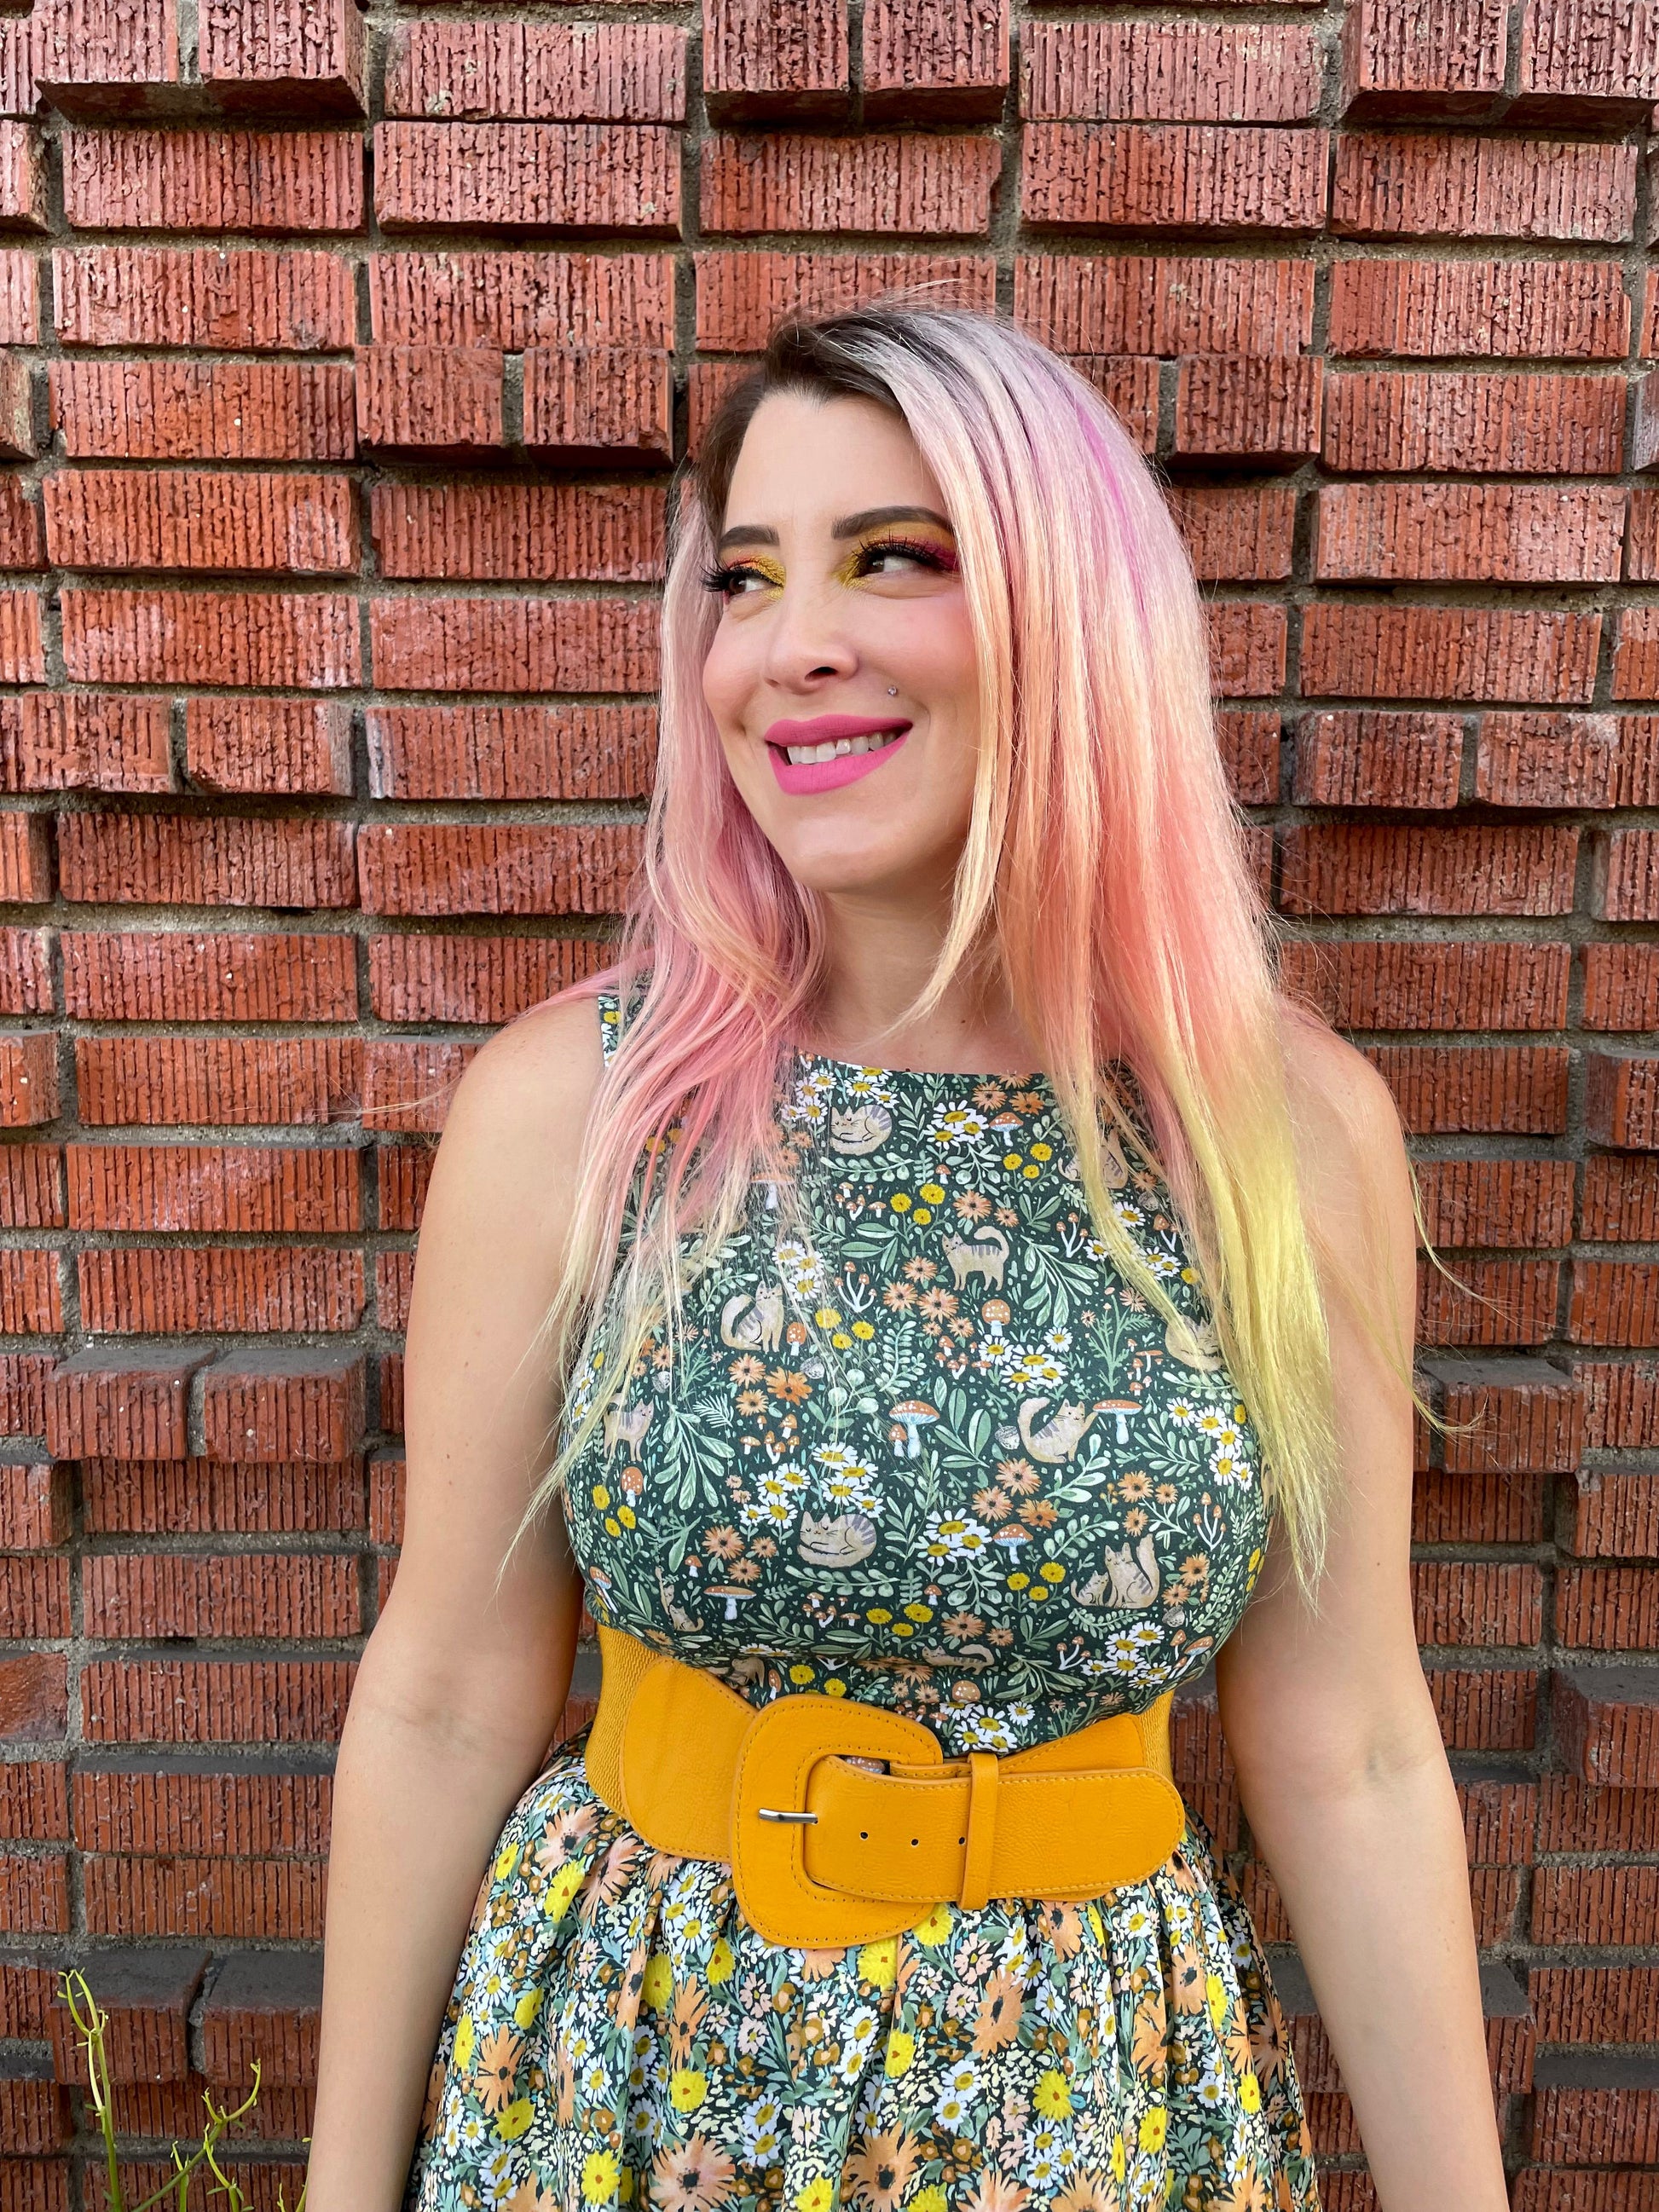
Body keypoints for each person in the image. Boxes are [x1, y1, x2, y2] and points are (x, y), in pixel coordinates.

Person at [303, 302, 1510, 2212]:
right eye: (748, 579)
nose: (792, 648)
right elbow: (448, 1687)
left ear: (1066, 616)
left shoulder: (1275, 1137)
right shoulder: (577, 1114)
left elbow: (1348, 1741)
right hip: (632, 2084)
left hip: (1082, 2106)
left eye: (897, 559)